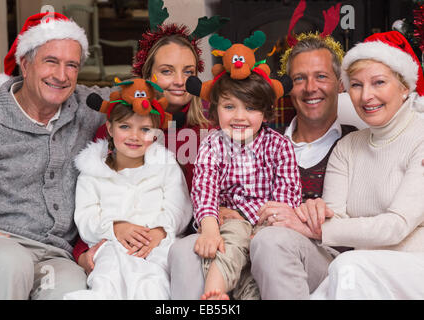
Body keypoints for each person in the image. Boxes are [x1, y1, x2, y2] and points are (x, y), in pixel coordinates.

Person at [168, 32, 355, 300]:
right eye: (300, 78)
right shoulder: (217, 144)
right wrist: (211, 219)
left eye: (321, 76)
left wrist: (252, 218)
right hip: (233, 231)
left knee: (265, 243)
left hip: (293, 243)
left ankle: (216, 287)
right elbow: (204, 188)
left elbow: (284, 205)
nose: (311, 87)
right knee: (184, 250)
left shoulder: (350, 144)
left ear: (340, 84)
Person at [0, 12, 114, 299]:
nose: (61, 76)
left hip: (57, 255)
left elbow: (140, 96)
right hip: (0, 241)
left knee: (71, 289)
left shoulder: (87, 108)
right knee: (11, 264)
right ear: (25, 64)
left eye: (71, 65)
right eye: (51, 61)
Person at [73, 24, 216, 274]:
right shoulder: (116, 133)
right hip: (120, 245)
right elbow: (96, 198)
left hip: (183, 243)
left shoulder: (209, 130)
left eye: (188, 72)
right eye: (167, 71)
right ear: (148, 75)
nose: (180, 81)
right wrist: (84, 254)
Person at [305, 31, 424, 299]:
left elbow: (396, 226)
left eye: (379, 82)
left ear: (405, 87)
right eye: (356, 85)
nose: (366, 96)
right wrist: (313, 217)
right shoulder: (348, 146)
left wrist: (320, 229)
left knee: (347, 268)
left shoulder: (422, 136)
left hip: (415, 268)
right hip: (366, 266)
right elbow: (335, 219)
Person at [64, 93, 192, 299]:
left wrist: (160, 231)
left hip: (156, 245)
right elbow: (85, 216)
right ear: (109, 128)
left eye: (145, 129)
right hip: (111, 244)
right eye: (125, 127)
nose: (135, 136)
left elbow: (179, 207)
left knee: (153, 282)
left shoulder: (166, 165)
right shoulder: (92, 171)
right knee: (107, 276)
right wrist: (115, 227)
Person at [190, 71, 301, 300]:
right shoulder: (212, 145)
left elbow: (285, 200)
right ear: (215, 110)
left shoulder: (279, 146)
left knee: (258, 264)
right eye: (229, 107)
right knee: (229, 240)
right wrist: (210, 229)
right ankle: (214, 293)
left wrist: (255, 225)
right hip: (228, 223)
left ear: (265, 112)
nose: (239, 116)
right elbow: (205, 190)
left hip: (268, 226)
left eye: (250, 108)